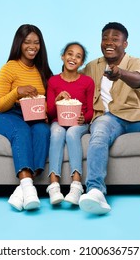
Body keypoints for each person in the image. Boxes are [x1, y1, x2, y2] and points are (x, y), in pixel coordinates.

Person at [78, 22, 140, 214]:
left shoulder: (139, 63)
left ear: (125, 44)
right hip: (108, 118)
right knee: (98, 132)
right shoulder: (93, 66)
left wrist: (120, 73)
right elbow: (73, 79)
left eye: (115, 39)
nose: (109, 42)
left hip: (138, 114)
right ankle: (96, 191)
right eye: (105, 38)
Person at [0, 24, 53, 211]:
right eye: (27, 42)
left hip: (33, 116)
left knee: (43, 131)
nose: (32, 46)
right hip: (7, 115)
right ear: (19, 43)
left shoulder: (43, 72)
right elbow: (0, 104)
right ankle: (29, 188)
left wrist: (47, 110)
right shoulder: (9, 68)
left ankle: (21, 191)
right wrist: (18, 92)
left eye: (36, 42)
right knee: (21, 131)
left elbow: (47, 103)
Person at [46, 42, 94, 205]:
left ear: (81, 63)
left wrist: (84, 119)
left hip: (78, 124)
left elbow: (90, 111)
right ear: (63, 56)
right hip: (58, 121)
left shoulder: (87, 82)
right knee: (57, 132)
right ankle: (53, 186)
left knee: (72, 133)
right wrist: (57, 99)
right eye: (70, 54)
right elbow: (51, 113)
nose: (73, 58)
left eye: (78, 56)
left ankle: (76, 185)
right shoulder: (53, 82)